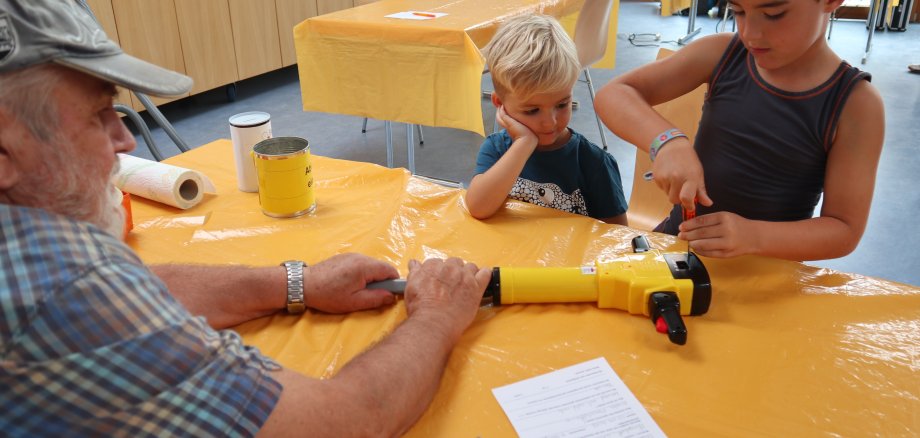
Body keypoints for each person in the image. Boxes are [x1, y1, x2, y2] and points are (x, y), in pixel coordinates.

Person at [0, 1, 492, 436]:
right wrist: (436, 317)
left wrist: (297, 283)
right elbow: (343, 422)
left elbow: (136, 288)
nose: (124, 139)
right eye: (96, 114)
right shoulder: (63, 286)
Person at [595, 0, 885, 261]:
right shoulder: (723, 53)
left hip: (767, 272)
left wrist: (753, 237)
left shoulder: (856, 105)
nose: (750, 33)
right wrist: (668, 142)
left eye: (774, 14)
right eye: (738, 11)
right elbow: (615, 94)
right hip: (678, 248)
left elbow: (843, 230)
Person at [464, 14, 629, 225]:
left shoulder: (593, 162)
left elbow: (618, 238)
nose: (550, 122)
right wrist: (523, 144)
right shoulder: (497, 149)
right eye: (532, 110)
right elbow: (478, 207)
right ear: (500, 103)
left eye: (562, 105)